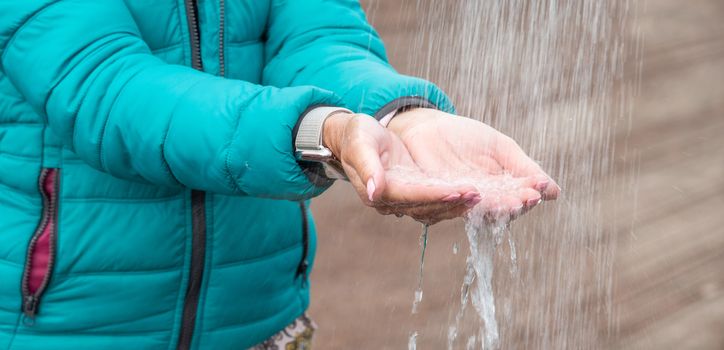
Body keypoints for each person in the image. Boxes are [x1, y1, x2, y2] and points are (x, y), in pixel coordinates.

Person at [0, 0, 559, 348]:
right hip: (65, 326)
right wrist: (319, 132)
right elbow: (112, 91)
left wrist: (401, 117)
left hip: (261, 317)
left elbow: (321, 41)